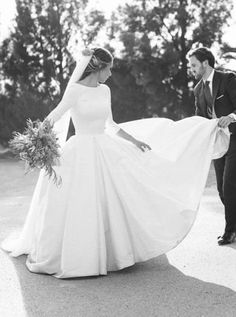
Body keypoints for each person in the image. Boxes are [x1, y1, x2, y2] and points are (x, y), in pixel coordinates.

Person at [1, 47, 229, 278]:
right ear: (98, 67)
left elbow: (110, 124)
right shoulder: (75, 90)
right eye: (109, 69)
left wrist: (134, 141)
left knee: (113, 199)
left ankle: (112, 253)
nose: (110, 74)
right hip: (79, 151)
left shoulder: (105, 90)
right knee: (81, 201)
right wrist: (36, 137)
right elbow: (55, 115)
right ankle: (79, 254)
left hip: (104, 148)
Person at [188, 47, 236, 245]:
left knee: (230, 185)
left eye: (194, 65)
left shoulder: (228, 79)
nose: (191, 69)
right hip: (217, 144)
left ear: (205, 63)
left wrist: (231, 116)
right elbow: (200, 119)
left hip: (234, 138)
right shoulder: (198, 89)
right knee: (222, 191)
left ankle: (229, 231)